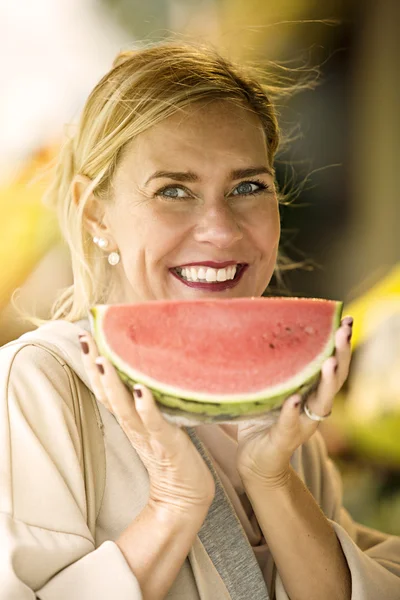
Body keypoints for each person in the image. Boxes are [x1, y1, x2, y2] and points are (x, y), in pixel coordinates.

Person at [1, 42, 399, 600]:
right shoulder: (39, 385)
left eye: (247, 187)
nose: (220, 230)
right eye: (173, 190)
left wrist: (272, 476)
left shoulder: (285, 406)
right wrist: (174, 501)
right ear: (96, 213)